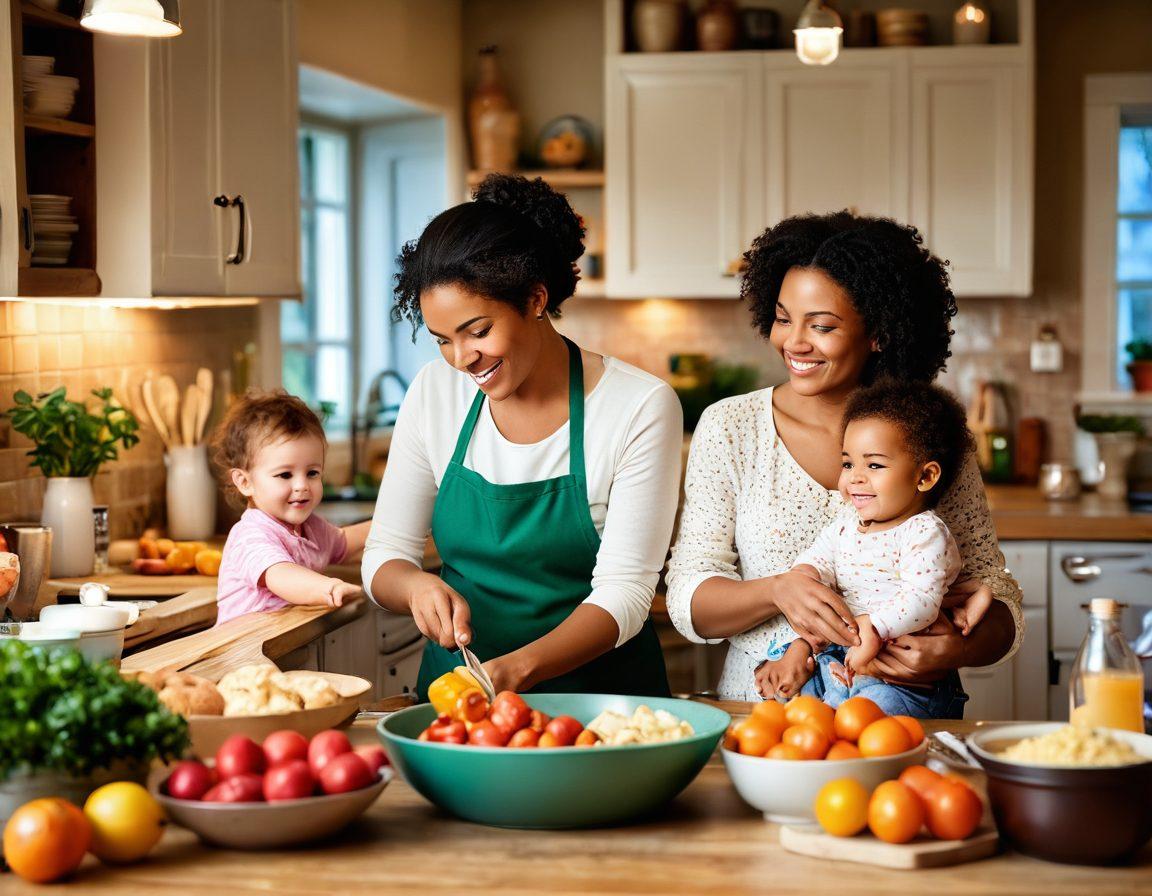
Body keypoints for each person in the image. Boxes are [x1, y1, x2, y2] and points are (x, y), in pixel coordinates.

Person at [666, 211, 1023, 711]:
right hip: (764, 719)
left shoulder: (929, 436)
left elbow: (997, 595)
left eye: (823, 326)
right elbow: (687, 599)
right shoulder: (732, 427)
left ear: (877, 332)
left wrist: (955, 649)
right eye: (784, 318)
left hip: (898, 719)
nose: (794, 342)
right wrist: (778, 592)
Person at [362, 174, 683, 699]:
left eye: (479, 331)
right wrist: (414, 585)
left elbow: (626, 594)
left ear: (535, 299)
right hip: (458, 703)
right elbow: (385, 554)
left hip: (601, 710)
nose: (463, 359)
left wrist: (513, 672)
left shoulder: (638, 406)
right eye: (444, 340)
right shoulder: (434, 392)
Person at [759, 380, 991, 717]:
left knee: (872, 719)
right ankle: (798, 662)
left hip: (899, 681)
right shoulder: (845, 524)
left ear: (924, 477)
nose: (855, 477)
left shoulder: (924, 532)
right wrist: (804, 574)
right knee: (799, 712)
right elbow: (818, 559)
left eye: (875, 465)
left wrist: (874, 627)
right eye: (848, 464)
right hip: (842, 658)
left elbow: (921, 601)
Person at [211, 391, 368, 626]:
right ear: (245, 482)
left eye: (312, 473)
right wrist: (330, 587)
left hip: (283, 642)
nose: (302, 485)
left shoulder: (311, 527)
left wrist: (396, 525)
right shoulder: (250, 536)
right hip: (242, 652)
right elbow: (281, 574)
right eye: (285, 474)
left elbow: (344, 542)